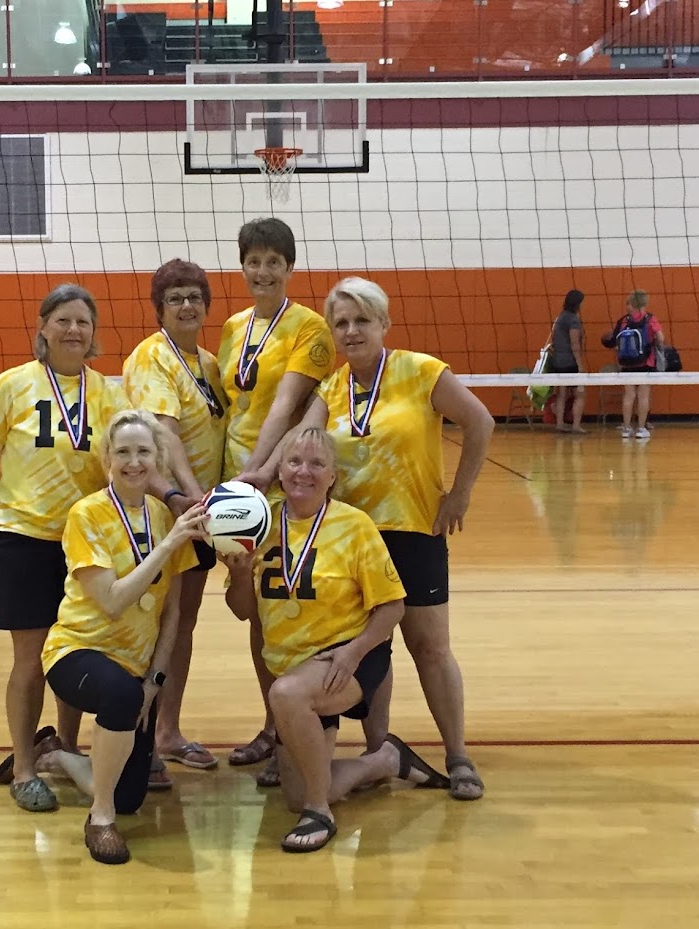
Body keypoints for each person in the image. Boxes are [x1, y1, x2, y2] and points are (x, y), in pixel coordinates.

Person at [255, 277, 494, 801]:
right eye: (341, 322)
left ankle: (457, 755)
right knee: (367, 646)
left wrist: (460, 494)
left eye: (362, 320)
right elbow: (298, 444)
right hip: (348, 541)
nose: (351, 330)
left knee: (430, 647)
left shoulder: (420, 371)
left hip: (413, 531)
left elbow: (480, 422)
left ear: (384, 324)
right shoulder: (332, 388)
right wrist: (259, 474)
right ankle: (378, 747)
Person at [223, 426, 449, 854]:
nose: (303, 472)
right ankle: (385, 760)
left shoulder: (354, 525)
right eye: (293, 462)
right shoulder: (261, 522)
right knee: (293, 792)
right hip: (293, 663)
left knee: (287, 697)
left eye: (316, 464)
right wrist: (238, 574)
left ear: (332, 477)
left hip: (349, 656)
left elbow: (392, 607)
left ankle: (320, 812)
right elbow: (243, 611)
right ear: (280, 470)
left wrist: (354, 651)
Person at [0, 284, 129, 813]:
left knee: (72, 651)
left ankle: (67, 750)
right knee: (29, 659)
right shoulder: (11, 386)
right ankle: (25, 766)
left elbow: (126, 467)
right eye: (64, 321)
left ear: (94, 334)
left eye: (84, 322)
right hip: (21, 537)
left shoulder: (109, 394)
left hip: (84, 544)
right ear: (43, 327)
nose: (74, 330)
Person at [37, 410, 206, 865]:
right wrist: (168, 545)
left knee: (132, 794)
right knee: (119, 696)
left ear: (158, 459)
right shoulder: (86, 513)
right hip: (76, 651)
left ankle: (59, 756)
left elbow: (172, 611)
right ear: (108, 457)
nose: (134, 462)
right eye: (123, 452)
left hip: (136, 671)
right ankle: (100, 818)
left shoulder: (160, 514)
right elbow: (112, 600)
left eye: (144, 452)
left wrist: (156, 680)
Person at [216, 217, 336, 783]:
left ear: (290, 268)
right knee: (257, 608)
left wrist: (260, 473)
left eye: (273, 262)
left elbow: (286, 405)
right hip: (237, 485)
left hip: (280, 481)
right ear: (242, 266)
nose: (262, 271)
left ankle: (291, 725)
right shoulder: (234, 324)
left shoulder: (310, 326)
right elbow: (228, 407)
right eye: (253, 261)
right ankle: (272, 725)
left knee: (290, 604)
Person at [122, 259, 228, 779]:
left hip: (200, 516)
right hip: (168, 512)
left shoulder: (209, 362)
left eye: (194, 297)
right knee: (156, 626)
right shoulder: (152, 357)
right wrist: (190, 496)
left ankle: (166, 731)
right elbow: (163, 434)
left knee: (182, 625)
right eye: (175, 298)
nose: (187, 306)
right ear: (160, 308)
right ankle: (139, 740)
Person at [602, 290, 665, 440]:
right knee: (643, 395)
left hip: (627, 364)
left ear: (631, 303)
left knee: (629, 395)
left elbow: (612, 342)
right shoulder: (650, 319)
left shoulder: (623, 321)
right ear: (644, 303)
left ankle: (626, 428)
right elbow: (660, 338)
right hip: (646, 362)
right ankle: (641, 429)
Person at [549, 289, 587, 434]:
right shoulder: (572, 319)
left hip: (558, 361)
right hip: (570, 362)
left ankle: (559, 424)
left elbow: (554, 339)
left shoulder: (560, 317)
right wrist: (580, 365)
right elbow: (574, 343)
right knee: (580, 393)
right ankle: (576, 426)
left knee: (562, 393)